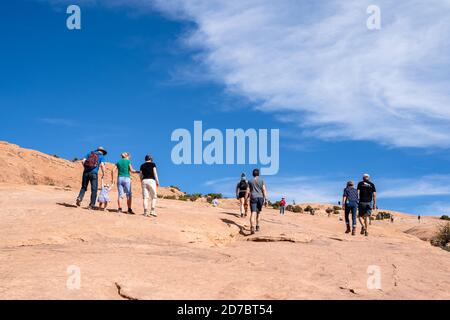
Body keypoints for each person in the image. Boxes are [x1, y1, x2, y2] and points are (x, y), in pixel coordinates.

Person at [248, 168, 268, 234]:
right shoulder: (262, 180)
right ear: (258, 174)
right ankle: (257, 226)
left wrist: (246, 198)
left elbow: (248, 191)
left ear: (253, 174)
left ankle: (252, 227)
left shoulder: (250, 181)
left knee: (253, 212)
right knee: (258, 213)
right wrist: (266, 199)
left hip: (253, 197)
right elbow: (264, 190)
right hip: (260, 197)